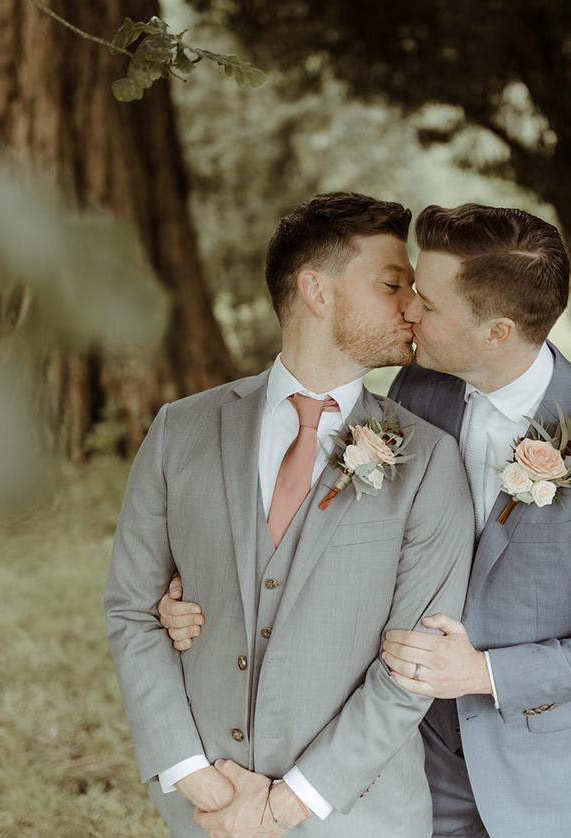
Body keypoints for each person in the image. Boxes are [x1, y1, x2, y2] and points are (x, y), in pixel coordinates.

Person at [158, 202, 571, 837]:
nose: (408, 308)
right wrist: (205, 594)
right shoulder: (415, 393)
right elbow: (343, 536)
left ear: (497, 331)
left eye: (428, 305)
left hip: (546, 776)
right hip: (411, 759)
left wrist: (483, 672)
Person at [105, 193, 474, 837]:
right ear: (316, 291)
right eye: (392, 285)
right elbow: (133, 610)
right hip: (206, 809)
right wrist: (192, 773)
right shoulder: (181, 430)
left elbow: (414, 665)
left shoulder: (429, 459)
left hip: (355, 817)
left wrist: (283, 805)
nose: (410, 307)